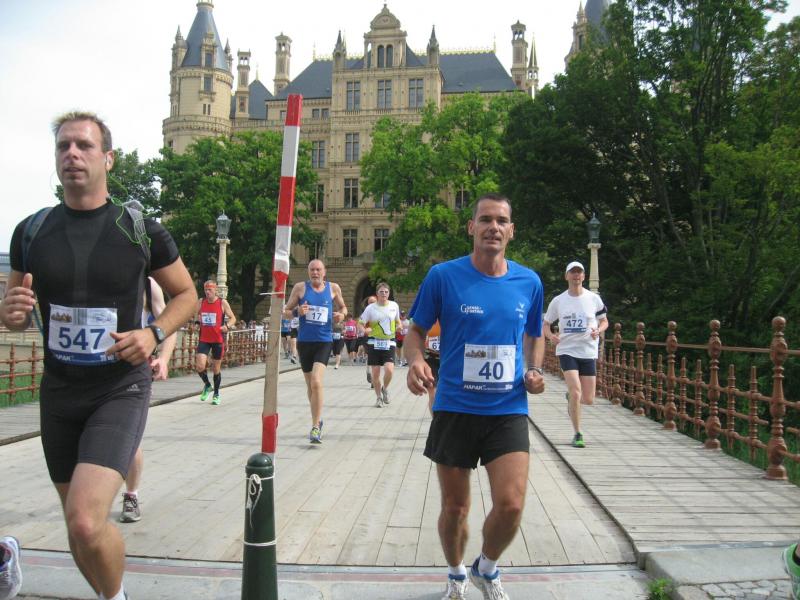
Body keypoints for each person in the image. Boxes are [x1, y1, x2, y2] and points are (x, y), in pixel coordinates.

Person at [0, 111, 196, 600]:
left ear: (107, 158)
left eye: (84, 145)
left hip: (119, 386)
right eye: (63, 146)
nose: (72, 154)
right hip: (59, 390)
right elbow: (16, 316)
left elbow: (187, 295)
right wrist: (11, 312)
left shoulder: (140, 229)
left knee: (87, 522)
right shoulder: (31, 232)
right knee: (77, 526)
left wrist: (153, 334)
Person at [405, 193, 545, 600]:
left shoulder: (529, 282)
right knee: (455, 508)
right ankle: (455, 573)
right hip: (455, 407)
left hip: (507, 408)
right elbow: (415, 332)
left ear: (511, 231)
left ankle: (487, 565)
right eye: (485, 219)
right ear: (471, 227)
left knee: (511, 504)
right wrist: (416, 360)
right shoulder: (443, 276)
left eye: (501, 220)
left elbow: (535, 334)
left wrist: (534, 369)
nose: (493, 227)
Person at [119, 277, 178, 524]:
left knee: (129, 437)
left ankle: (131, 495)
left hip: (132, 372)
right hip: (88, 373)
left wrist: (163, 358)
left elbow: (169, 324)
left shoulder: (147, 283)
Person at [543, 261, 608, 449]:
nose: (576, 275)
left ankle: (571, 397)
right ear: (566, 276)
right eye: (572, 272)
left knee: (588, 399)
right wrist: (551, 337)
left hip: (587, 350)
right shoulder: (559, 300)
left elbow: (604, 321)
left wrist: (598, 330)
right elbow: (546, 324)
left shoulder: (593, 299)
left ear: (584, 276)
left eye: (579, 272)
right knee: (576, 391)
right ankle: (578, 433)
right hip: (567, 349)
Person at [283, 259, 347, 443]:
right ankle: (317, 419)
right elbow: (285, 312)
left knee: (316, 382)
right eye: (312, 270)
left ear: (324, 272)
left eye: (318, 270)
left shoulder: (333, 288)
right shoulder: (300, 288)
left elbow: (343, 307)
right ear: (308, 271)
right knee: (310, 385)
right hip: (304, 342)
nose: (315, 273)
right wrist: (297, 312)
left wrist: (341, 315)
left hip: (324, 341)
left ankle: (315, 426)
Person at [359, 282, 402, 407]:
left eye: (386, 292)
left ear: (389, 293)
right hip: (374, 342)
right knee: (376, 373)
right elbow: (360, 323)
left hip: (389, 342)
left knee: (389, 370)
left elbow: (398, 321)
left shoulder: (394, 306)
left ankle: (385, 388)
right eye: (381, 292)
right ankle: (378, 398)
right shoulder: (370, 308)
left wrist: (399, 326)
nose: (384, 294)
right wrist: (364, 330)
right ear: (377, 294)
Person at [195, 280, 236, 405]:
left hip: (217, 339)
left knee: (215, 368)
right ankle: (207, 385)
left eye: (210, 290)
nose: (207, 292)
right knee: (200, 366)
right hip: (204, 339)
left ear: (215, 290)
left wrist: (227, 326)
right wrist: (197, 323)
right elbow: (196, 314)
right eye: (206, 290)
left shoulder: (222, 302)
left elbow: (233, 318)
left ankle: (216, 394)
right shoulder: (201, 302)